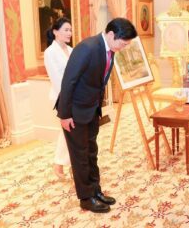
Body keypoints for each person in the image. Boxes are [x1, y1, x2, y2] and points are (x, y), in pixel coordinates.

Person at [55, 18, 137, 213]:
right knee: (80, 156)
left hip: (90, 110)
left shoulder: (109, 49)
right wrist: (65, 115)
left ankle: (95, 191)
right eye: (123, 43)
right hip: (74, 112)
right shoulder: (87, 48)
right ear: (111, 35)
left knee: (91, 152)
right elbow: (68, 82)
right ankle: (85, 198)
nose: (123, 48)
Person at [44, 17, 73, 180]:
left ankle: (63, 164)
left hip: (74, 97)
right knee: (68, 131)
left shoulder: (71, 50)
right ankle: (60, 164)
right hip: (60, 98)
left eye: (70, 30)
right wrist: (68, 99)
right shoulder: (50, 53)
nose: (70, 33)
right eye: (66, 30)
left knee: (70, 132)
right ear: (55, 32)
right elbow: (56, 80)